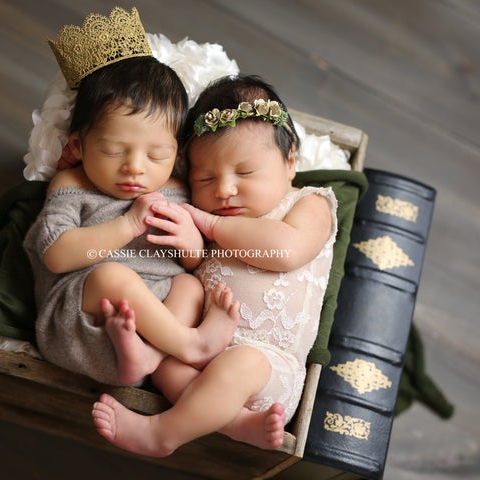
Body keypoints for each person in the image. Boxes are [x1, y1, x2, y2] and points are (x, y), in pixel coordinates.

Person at [92, 75, 339, 456]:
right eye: (206, 178)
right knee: (167, 362)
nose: (223, 190)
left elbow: (286, 251)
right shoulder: (207, 220)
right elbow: (196, 274)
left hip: (268, 370)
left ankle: (162, 435)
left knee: (239, 365)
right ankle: (236, 425)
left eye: (245, 173)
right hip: (202, 351)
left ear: (290, 164)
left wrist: (212, 225)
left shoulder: (309, 204)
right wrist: (194, 248)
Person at [23, 8, 238, 387]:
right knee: (112, 276)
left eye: (156, 155)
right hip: (84, 317)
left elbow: (192, 266)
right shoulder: (73, 183)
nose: (135, 168)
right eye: (113, 151)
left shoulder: (177, 188)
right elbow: (56, 256)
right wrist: (127, 224)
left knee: (189, 287)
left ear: (178, 153)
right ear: (79, 144)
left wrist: (191, 246)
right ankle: (190, 345)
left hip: (149, 328)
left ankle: (144, 359)